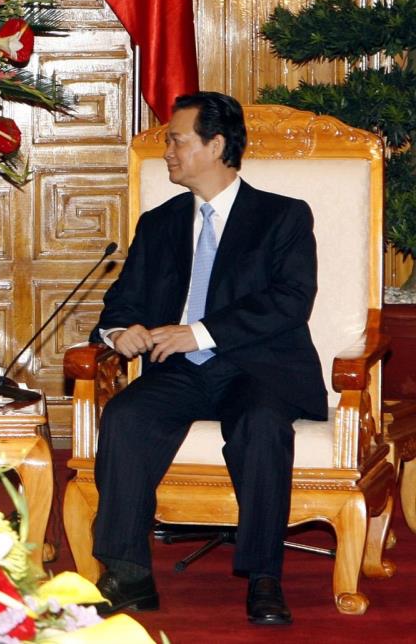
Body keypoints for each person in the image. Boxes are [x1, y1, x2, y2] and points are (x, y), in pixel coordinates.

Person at [88, 91, 325, 626]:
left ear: (216, 145)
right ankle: (128, 574)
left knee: (261, 424)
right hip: (181, 372)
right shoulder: (160, 222)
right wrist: (121, 331)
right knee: (125, 416)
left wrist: (199, 333)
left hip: (258, 368)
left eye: (177, 140)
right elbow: (123, 301)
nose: (167, 151)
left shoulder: (282, 216)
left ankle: (264, 577)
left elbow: (290, 301)